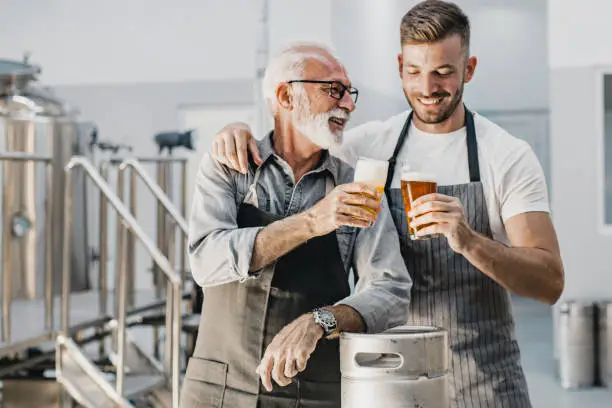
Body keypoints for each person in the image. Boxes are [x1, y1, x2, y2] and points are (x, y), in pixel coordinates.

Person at [209, 1, 565, 407]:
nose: (428, 88)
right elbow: (295, 139)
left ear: (469, 69)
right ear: (399, 67)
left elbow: (549, 283)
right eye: (414, 72)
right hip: (389, 380)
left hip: (483, 381)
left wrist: (469, 241)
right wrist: (235, 130)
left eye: (443, 73)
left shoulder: (505, 155)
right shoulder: (366, 148)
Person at [181, 43, 412, 408]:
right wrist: (313, 221)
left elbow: (391, 291)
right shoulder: (229, 165)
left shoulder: (356, 187)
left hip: (313, 394)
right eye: (333, 90)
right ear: (286, 95)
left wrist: (322, 320)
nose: (348, 105)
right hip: (216, 391)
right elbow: (205, 262)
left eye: (350, 93)